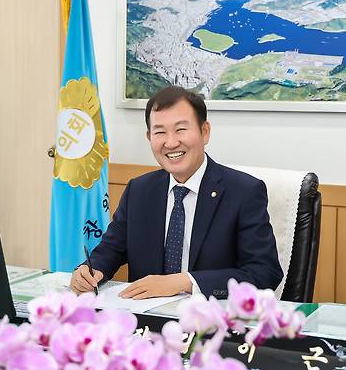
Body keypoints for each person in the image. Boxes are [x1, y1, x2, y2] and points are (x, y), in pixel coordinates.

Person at [70, 86, 282, 299]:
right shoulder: (139, 191)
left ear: (204, 132)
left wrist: (186, 281)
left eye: (180, 129)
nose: (170, 142)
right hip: (144, 324)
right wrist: (90, 271)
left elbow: (265, 273)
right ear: (149, 137)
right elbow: (111, 250)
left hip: (210, 323)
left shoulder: (244, 192)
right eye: (160, 132)